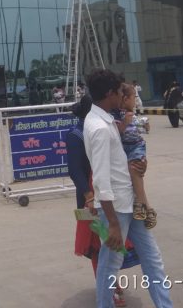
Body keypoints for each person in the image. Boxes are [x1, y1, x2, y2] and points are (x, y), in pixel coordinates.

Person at [84, 69, 172, 308]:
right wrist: (112, 223)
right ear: (109, 93)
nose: (122, 97)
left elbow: (119, 158)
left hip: (129, 202)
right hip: (116, 209)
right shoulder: (100, 128)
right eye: (118, 92)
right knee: (109, 266)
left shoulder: (106, 120)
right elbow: (101, 180)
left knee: (152, 258)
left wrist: (137, 166)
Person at [67, 95, 135, 307]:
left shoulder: (103, 127)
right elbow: (75, 171)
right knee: (98, 247)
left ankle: (111, 285)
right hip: (89, 198)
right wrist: (89, 197)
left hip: (108, 195)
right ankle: (110, 290)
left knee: (111, 244)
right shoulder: (76, 135)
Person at [112, 84, 156, 229]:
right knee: (134, 173)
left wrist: (145, 127)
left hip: (137, 147)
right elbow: (117, 132)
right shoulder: (116, 115)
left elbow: (138, 131)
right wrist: (125, 122)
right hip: (125, 149)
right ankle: (147, 208)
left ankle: (141, 205)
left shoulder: (132, 114)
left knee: (135, 170)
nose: (135, 101)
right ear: (125, 99)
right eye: (133, 98)